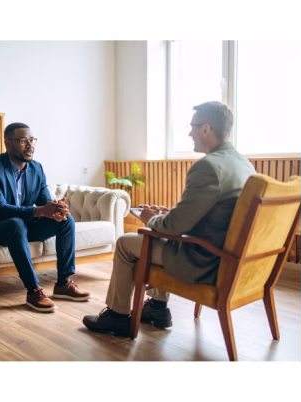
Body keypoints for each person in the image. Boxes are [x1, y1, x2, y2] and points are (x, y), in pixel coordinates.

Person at [83, 101, 255, 336]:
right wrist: (167, 214)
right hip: (230, 257)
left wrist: (150, 219)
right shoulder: (244, 165)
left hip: (203, 261)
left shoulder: (208, 167)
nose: (189, 132)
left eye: (192, 126)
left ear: (206, 129)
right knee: (159, 231)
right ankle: (156, 308)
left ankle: (117, 316)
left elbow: (173, 228)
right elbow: (211, 214)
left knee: (126, 243)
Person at [0, 122, 90, 312]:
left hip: (22, 226)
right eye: (23, 141)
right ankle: (33, 290)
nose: (30, 145)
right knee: (15, 223)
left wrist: (56, 209)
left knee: (67, 221)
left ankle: (64, 283)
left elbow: (43, 201)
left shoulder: (36, 168)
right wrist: (40, 211)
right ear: (8, 143)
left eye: (32, 140)